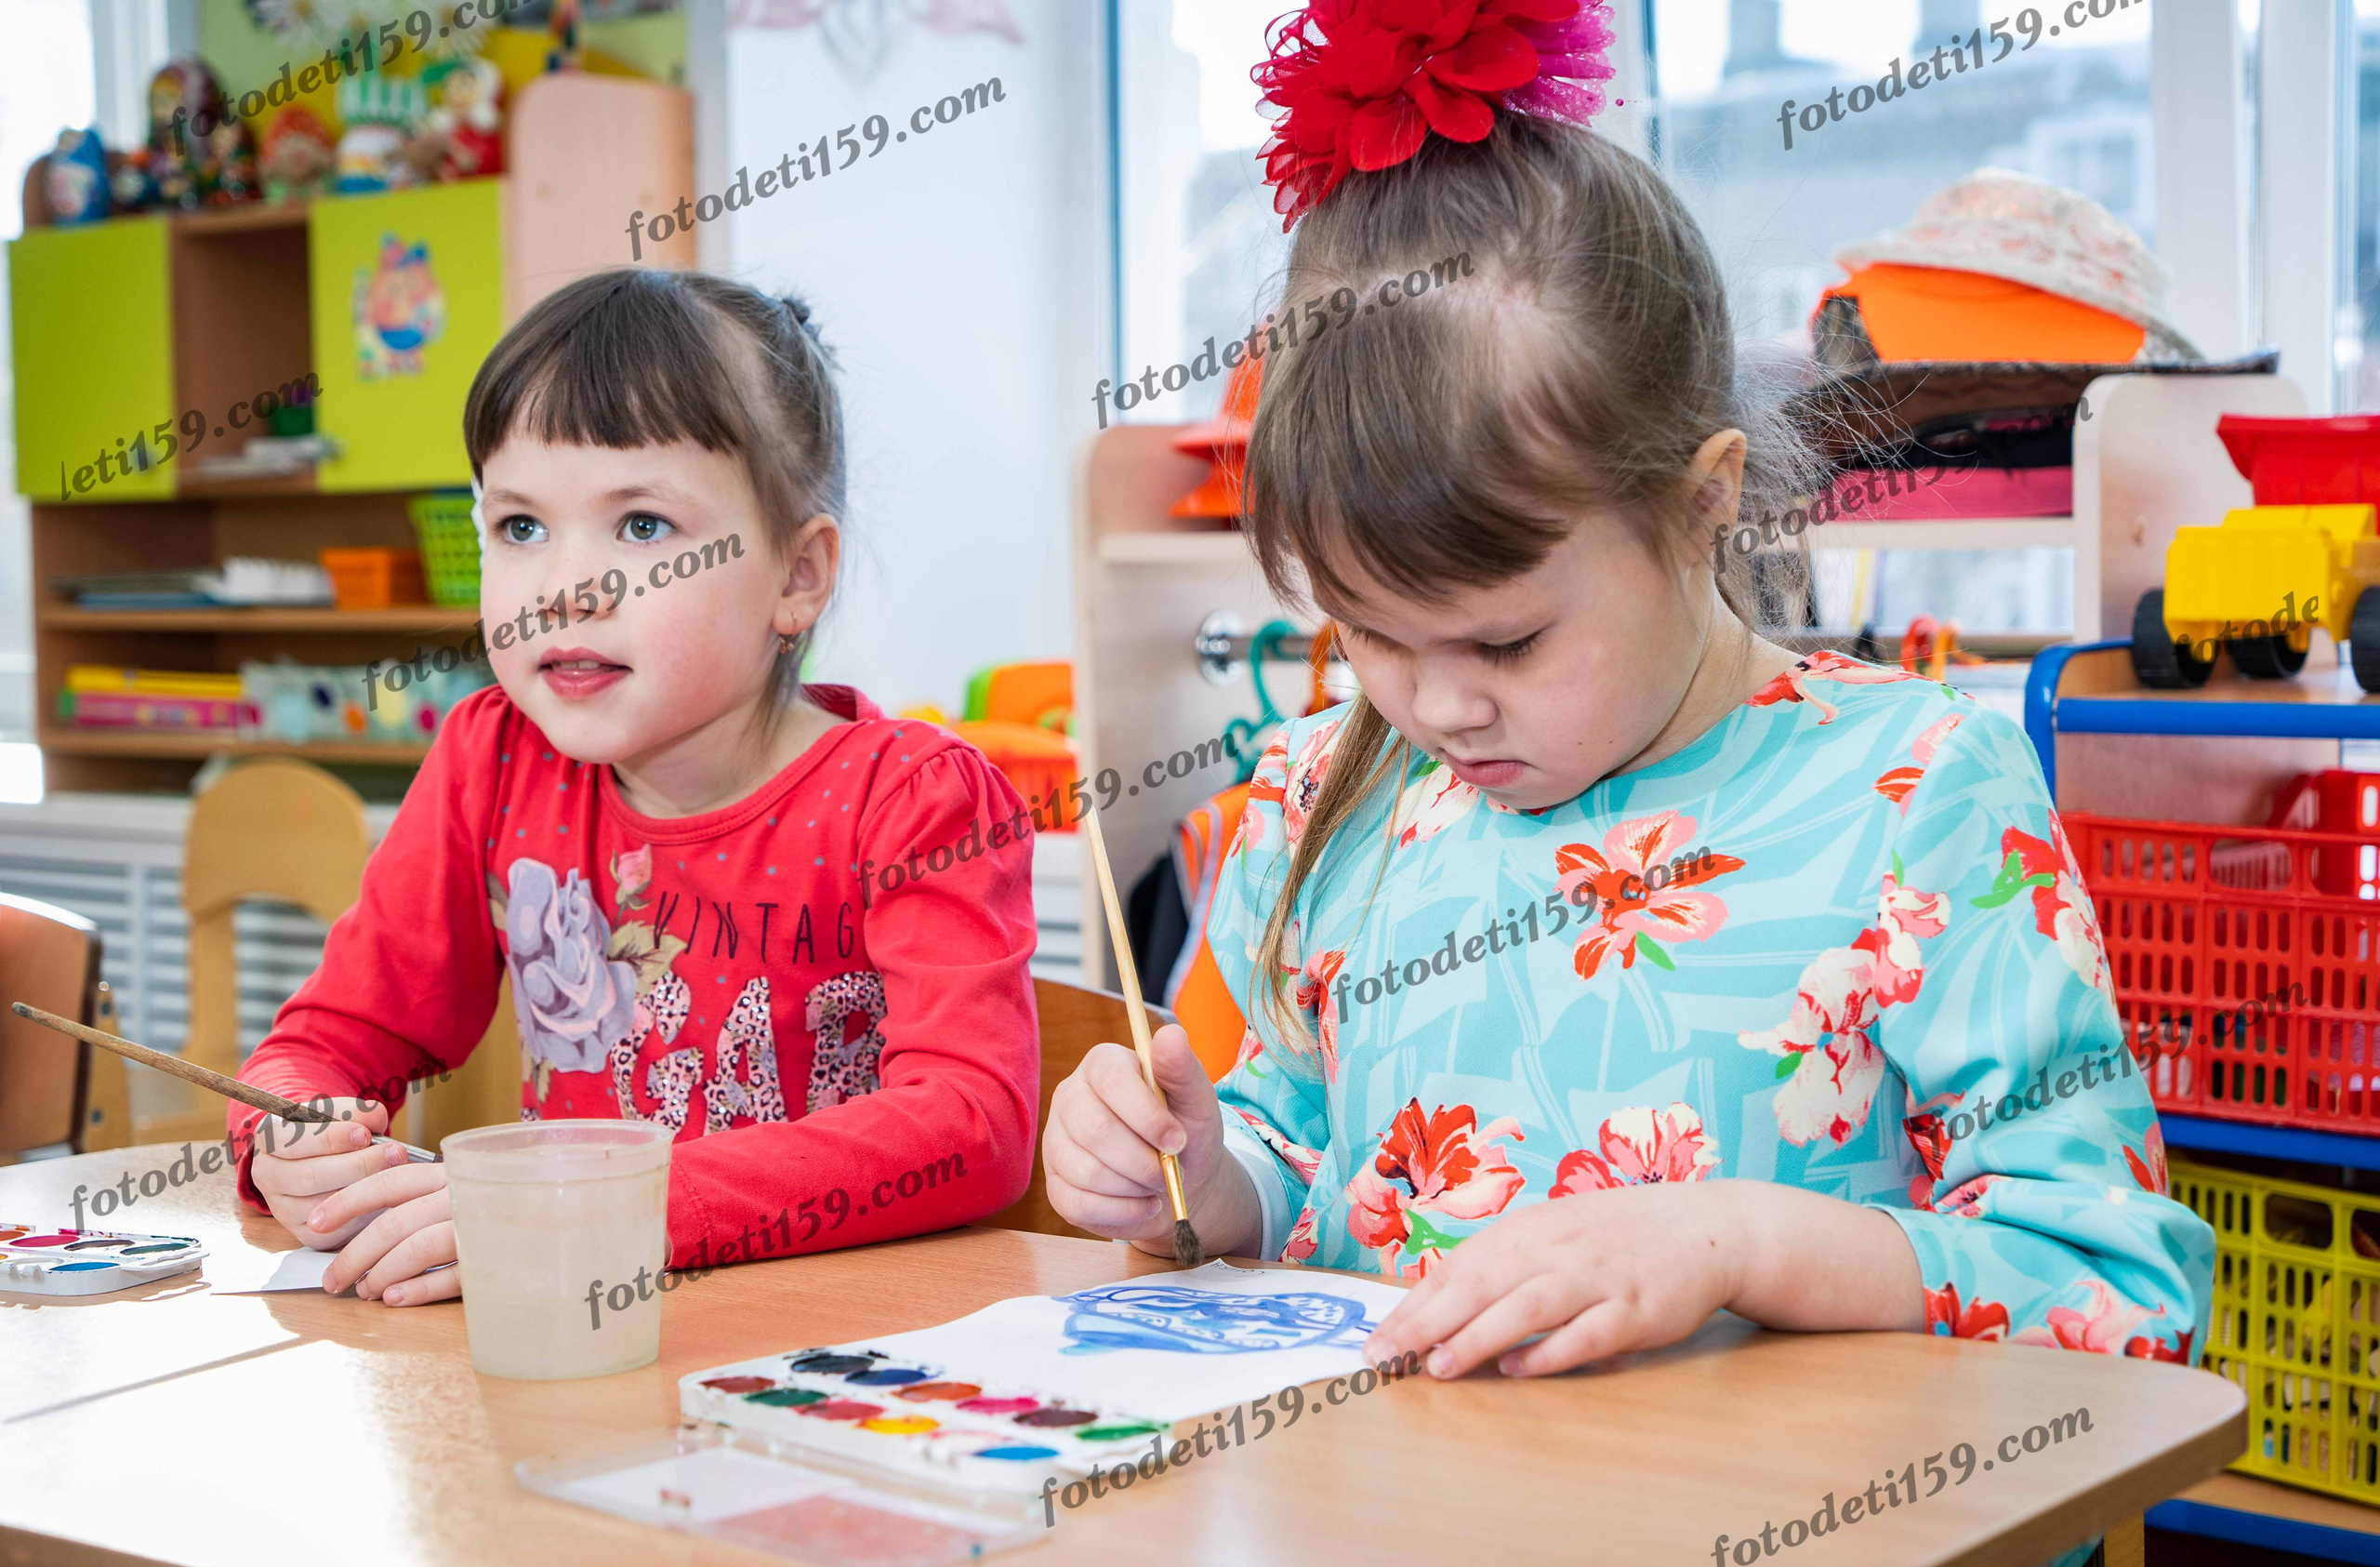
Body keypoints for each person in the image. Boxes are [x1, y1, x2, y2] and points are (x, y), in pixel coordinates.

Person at [1042, 0, 2207, 1441]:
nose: (1437, 704)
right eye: (1371, 634)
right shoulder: (1320, 800)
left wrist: (1735, 1241)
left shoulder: (1917, 796)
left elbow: (2120, 1285)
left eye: (1507, 635)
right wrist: (1197, 1181)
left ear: (1705, 495)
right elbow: (1298, 1156)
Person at [232, 269, 1039, 1305]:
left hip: (834, 1362)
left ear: (796, 577)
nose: (564, 589)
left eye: (642, 527)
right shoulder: (494, 758)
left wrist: (623, 1209)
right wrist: (287, 1140)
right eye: (520, 527)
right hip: (576, 1339)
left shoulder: (916, 799)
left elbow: (972, 1125)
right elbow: (334, 1040)